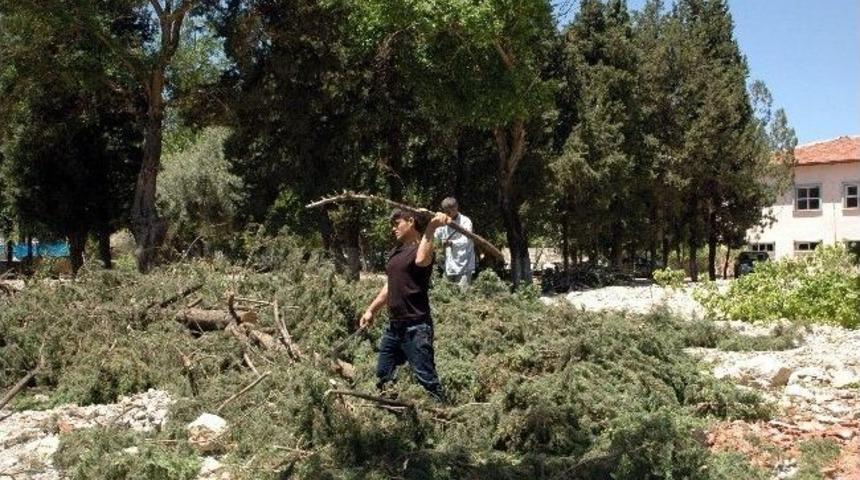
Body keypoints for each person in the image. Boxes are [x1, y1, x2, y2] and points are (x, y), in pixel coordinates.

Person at [360, 208, 450, 402]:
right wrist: (371, 310)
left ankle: (444, 415)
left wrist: (432, 227)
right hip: (395, 327)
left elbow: (421, 259)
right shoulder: (396, 251)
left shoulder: (423, 249)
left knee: (426, 379)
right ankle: (391, 409)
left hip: (416, 327)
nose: (393, 229)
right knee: (384, 372)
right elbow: (389, 286)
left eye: (397, 223)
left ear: (410, 221)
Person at [433, 197, 475, 289]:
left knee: (462, 294)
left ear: (456, 208)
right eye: (446, 211)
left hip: (464, 263)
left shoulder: (465, 221)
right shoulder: (443, 221)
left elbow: (466, 240)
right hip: (449, 264)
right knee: (446, 293)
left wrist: (451, 243)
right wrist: (437, 243)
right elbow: (436, 235)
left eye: (450, 211)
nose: (449, 214)